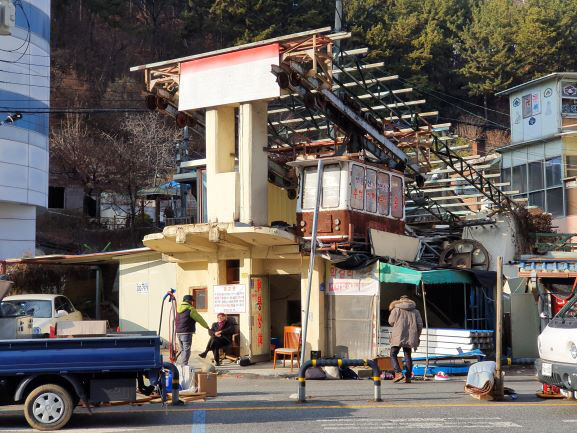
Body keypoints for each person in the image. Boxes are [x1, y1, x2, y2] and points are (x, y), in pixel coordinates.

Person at [388, 295, 423, 383]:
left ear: (400, 301)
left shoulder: (396, 309)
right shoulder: (416, 311)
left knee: (393, 354)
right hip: (410, 336)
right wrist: (417, 336)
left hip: (398, 336)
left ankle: (398, 373)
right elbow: (420, 325)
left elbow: (391, 322)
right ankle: (408, 377)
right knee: (407, 356)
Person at [175, 295, 209, 366]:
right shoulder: (191, 309)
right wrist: (207, 327)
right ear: (189, 301)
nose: (192, 303)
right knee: (186, 349)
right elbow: (199, 319)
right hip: (186, 332)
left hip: (178, 332)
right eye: (192, 301)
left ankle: (183, 364)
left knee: (182, 349)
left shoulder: (178, 309)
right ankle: (184, 365)